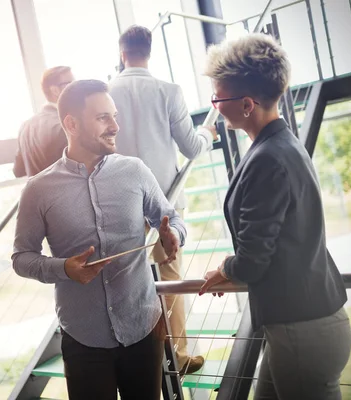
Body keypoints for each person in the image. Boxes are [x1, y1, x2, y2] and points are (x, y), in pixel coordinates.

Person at [198, 34, 351, 400]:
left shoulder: (269, 157)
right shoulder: (279, 144)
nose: (215, 106)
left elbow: (253, 259)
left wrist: (225, 270)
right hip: (299, 325)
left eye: (218, 98)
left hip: (303, 330)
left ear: (247, 104)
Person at [12, 79, 186, 400]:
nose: (115, 126)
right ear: (71, 124)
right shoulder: (38, 190)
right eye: (103, 118)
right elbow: (21, 257)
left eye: (114, 116)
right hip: (83, 339)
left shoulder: (135, 171)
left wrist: (173, 235)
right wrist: (65, 268)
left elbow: (172, 218)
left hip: (143, 329)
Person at [109, 24, 216, 374]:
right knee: (169, 277)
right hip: (164, 201)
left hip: (121, 201)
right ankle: (178, 356)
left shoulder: (107, 91)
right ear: (148, 51)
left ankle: (141, 358)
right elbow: (191, 147)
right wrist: (207, 132)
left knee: (128, 280)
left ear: (122, 52)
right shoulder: (168, 90)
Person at [13, 66, 74, 177]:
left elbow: (18, 171)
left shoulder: (25, 126)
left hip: (35, 193)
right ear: (55, 90)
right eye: (71, 84)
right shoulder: (65, 126)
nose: (76, 88)